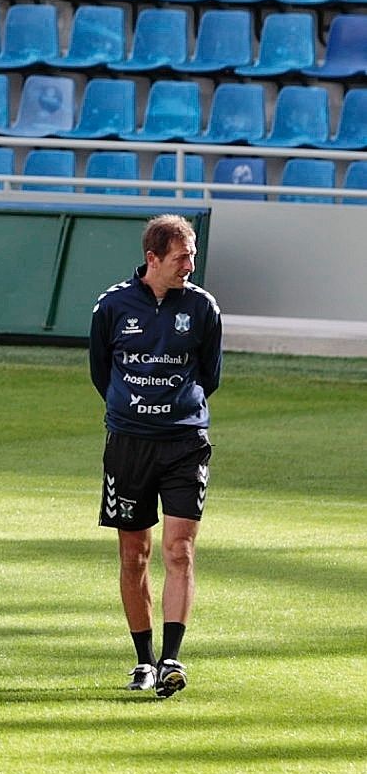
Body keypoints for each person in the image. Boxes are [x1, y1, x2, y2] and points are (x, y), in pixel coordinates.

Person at [90, 215, 220, 700]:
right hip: (129, 444)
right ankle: (142, 660)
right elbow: (101, 373)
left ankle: (172, 658)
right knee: (134, 553)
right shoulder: (111, 305)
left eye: (192, 255)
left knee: (180, 549)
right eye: (181, 257)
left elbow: (210, 374)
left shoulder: (203, 308)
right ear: (153, 259)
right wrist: (135, 409)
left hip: (185, 442)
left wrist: (173, 408)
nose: (190, 264)